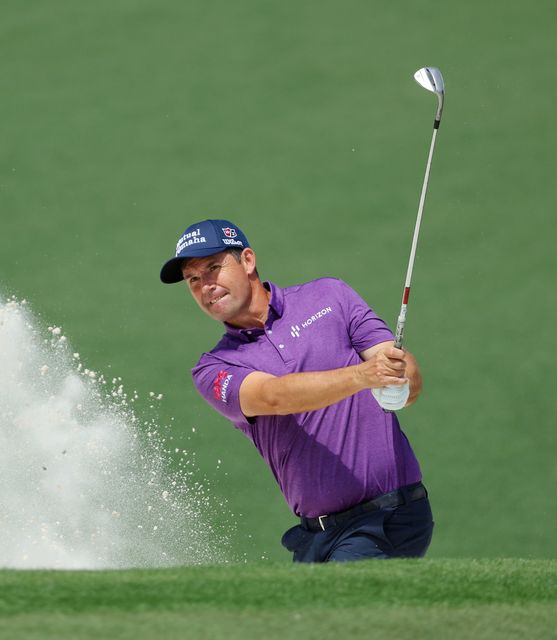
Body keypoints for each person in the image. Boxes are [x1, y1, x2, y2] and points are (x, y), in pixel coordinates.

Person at [159, 219, 433, 562]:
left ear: (247, 261)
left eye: (213, 268)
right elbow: (273, 397)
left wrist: (403, 378)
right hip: (314, 537)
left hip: (386, 519)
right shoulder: (213, 368)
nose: (205, 286)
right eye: (193, 279)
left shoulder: (330, 295)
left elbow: (393, 363)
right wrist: (364, 376)